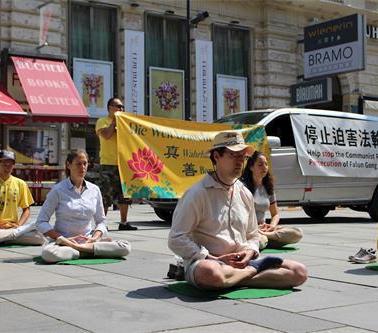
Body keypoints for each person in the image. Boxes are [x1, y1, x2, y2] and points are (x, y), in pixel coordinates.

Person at [168, 131, 307, 290]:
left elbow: (253, 235)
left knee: (299, 272)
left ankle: (239, 276)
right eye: (233, 155)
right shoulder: (197, 193)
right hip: (210, 262)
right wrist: (209, 256)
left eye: (243, 156)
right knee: (209, 273)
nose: (240, 161)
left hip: (244, 260)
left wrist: (250, 251)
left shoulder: (244, 193)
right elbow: (176, 238)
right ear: (216, 156)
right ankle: (250, 273)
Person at [35, 149, 131, 263]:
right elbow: (41, 222)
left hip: (89, 241)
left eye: (85, 163)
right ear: (68, 165)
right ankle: (89, 251)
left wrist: (94, 238)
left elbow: (101, 221)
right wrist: (63, 239)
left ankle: (81, 250)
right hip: (64, 242)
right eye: (78, 164)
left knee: (126, 247)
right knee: (49, 254)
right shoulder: (58, 190)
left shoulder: (94, 190)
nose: (82, 167)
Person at [241, 151, 303, 250]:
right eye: (260, 164)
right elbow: (240, 215)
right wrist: (255, 228)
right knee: (260, 242)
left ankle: (267, 237)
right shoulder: (242, 187)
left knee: (297, 233)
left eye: (266, 164)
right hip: (249, 229)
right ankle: (264, 239)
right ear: (251, 167)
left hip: (265, 230)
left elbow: (275, 214)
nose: (264, 167)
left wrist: (272, 227)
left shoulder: (268, 187)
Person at [95, 97, 136, 230]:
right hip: (108, 163)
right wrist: (114, 122)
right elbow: (106, 135)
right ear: (110, 107)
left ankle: (124, 222)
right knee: (106, 195)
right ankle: (102, 224)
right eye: (118, 106)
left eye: (121, 107)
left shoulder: (125, 123)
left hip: (124, 164)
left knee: (125, 195)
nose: (120, 109)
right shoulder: (102, 121)